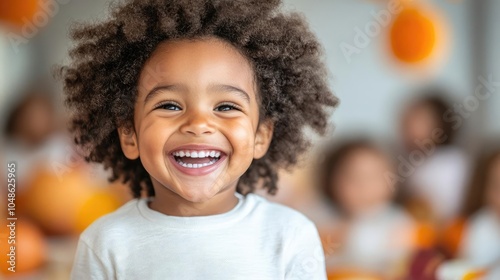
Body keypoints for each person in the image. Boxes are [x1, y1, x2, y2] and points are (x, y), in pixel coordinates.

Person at [57, 0, 338, 279]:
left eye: (226, 107)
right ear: (129, 135)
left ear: (260, 136)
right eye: (169, 105)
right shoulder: (105, 243)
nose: (198, 124)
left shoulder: (289, 236)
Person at [318, 139, 415, 279]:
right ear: (330, 182)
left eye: (375, 177)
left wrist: (352, 236)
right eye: (354, 178)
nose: (365, 187)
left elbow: (401, 258)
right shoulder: (321, 215)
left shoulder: (398, 219)